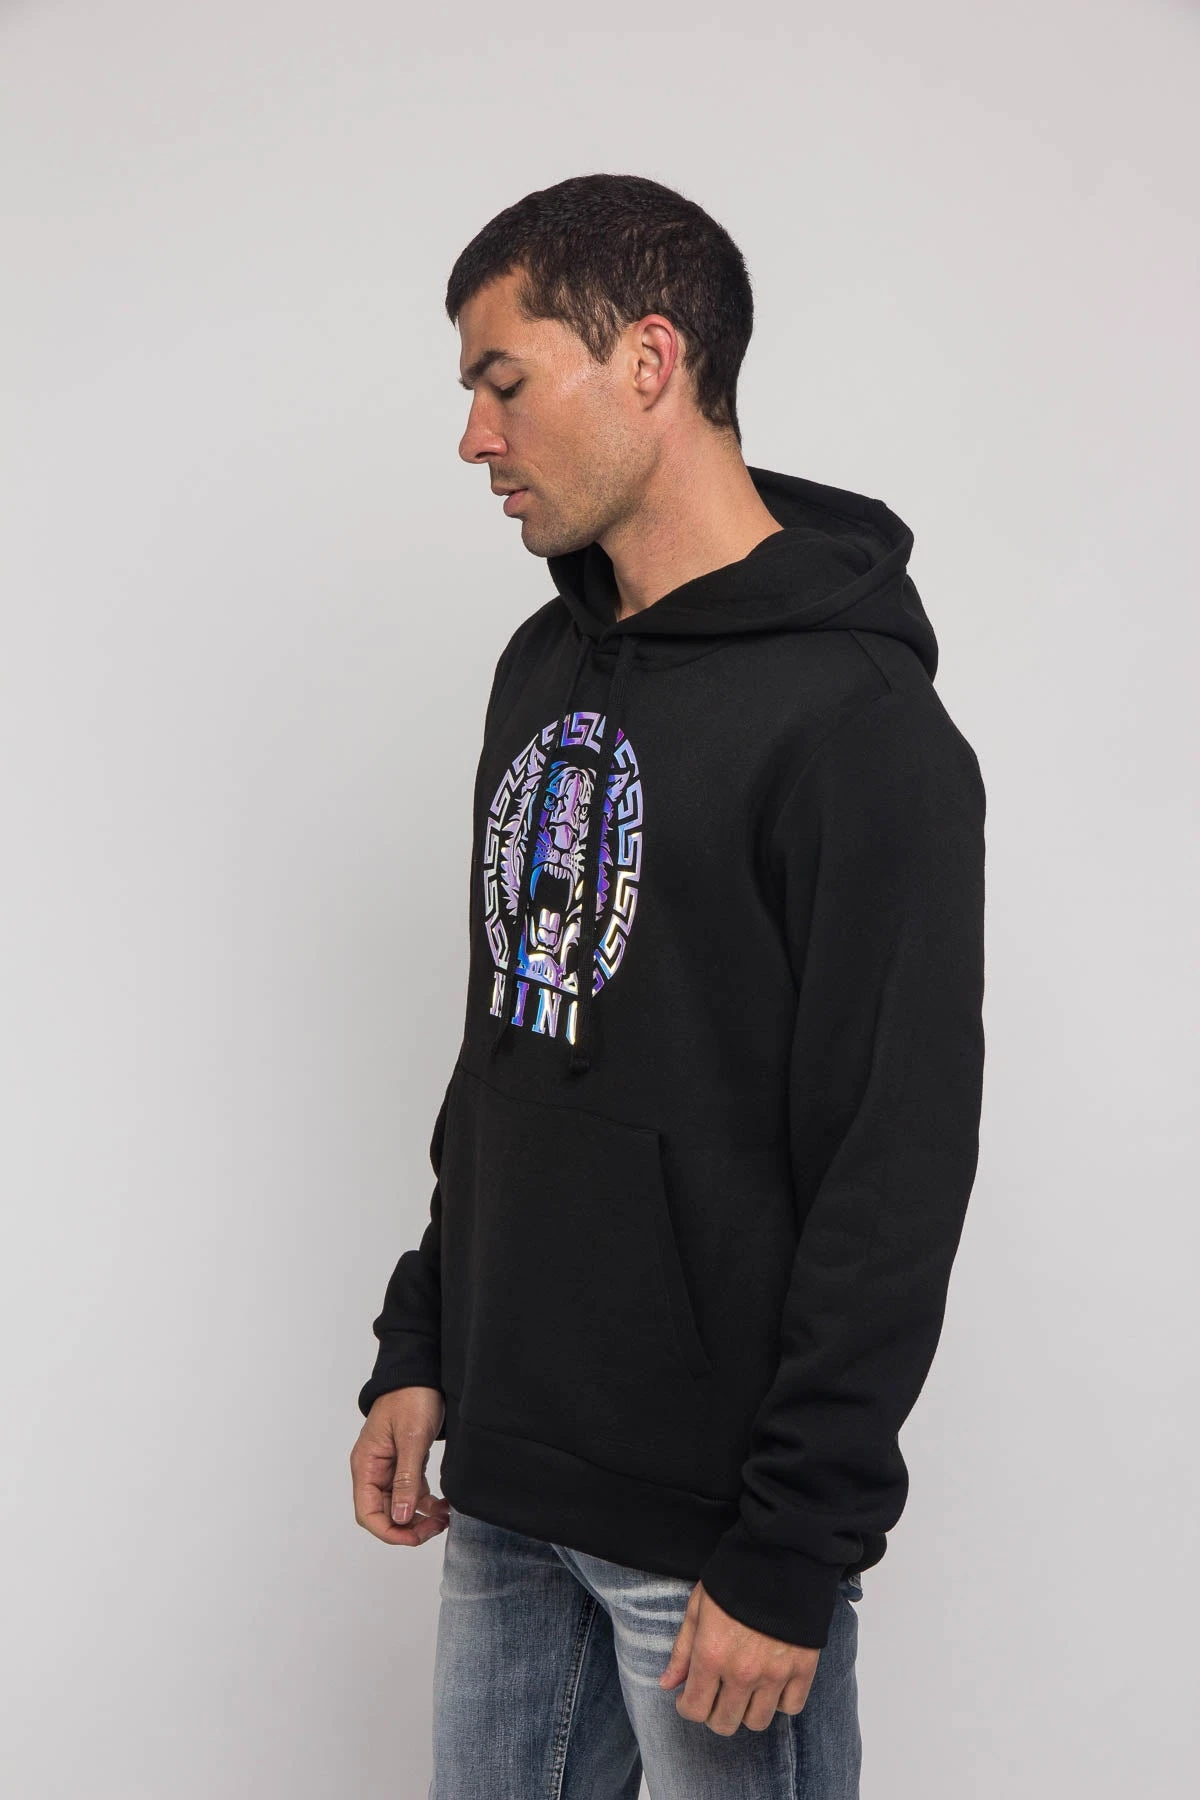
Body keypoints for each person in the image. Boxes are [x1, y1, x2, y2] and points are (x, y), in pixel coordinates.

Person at [349, 172, 986, 1800]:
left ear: (649, 359)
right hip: (508, 1485)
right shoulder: (544, 663)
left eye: (505, 382)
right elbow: (511, 1036)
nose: (475, 439)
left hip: (710, 1548)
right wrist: (425, 1336)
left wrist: (795, 1542)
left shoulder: (860, 731)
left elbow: (894, 1162)